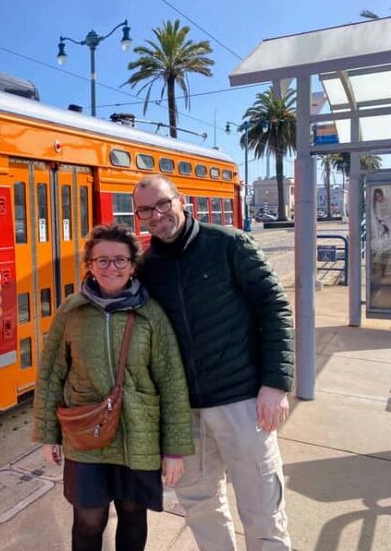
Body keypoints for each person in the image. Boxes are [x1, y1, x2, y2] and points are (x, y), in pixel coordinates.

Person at [133, 174, 294, 551]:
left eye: (162, 204)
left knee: (263, 509)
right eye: (145, 210)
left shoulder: (228, 243)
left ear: (181, 200)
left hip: (243, 401)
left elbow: (275, 308)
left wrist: (276, 383)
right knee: (201, 507)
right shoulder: (148, 266)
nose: (156, 215)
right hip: (184, 413)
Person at [33, 223, 194, 551]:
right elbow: (51, 374)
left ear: (133, 265)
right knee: (89, 521)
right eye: (102, 260)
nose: (111, 268)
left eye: (120, 260)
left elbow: (172, 381)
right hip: (86, 434)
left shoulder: (151, 314)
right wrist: (47, 433)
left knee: (133, 516)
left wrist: (174, 449)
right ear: (89, 264)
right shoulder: (72, 311)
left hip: (139, 435)